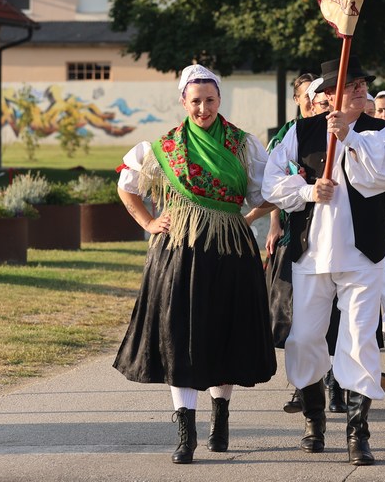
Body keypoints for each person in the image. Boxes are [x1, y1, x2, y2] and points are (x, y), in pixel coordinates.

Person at [113, 64, 276, 465]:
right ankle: (185, 432)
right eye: (196, 101)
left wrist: (270, 202)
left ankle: (220, 418)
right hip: (179, 251)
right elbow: (126, 185)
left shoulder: (244, 145)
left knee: (223, 331)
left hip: (231, 250)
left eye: (210, 100)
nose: (203, 108)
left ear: (220, 100)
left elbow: (268, 192)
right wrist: (150, 222)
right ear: (183, 102)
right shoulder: (163, 148)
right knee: (180, 334)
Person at [263, 55, 385, 467]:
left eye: (363, 84)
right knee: (305, 338)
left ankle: (358, 434)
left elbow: (381, 177)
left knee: (360, 340)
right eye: (352, 84)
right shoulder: (300, 131)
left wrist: (351, 137)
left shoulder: (380, 133)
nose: (361, 90)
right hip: (311, 254)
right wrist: (308, 193)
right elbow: (270, 182)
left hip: (363, 256)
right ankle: (313, 419)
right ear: (327, 95)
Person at [264, 73, 317, 415]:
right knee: (291, 314)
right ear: (297, 99)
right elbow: (272, 185)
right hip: (293, 233)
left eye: (319, 96)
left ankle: (331, 383)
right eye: (306, 96)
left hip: (333, 237)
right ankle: (303, 388)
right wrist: (271, 225)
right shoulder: (288, 135)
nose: (312, 102)